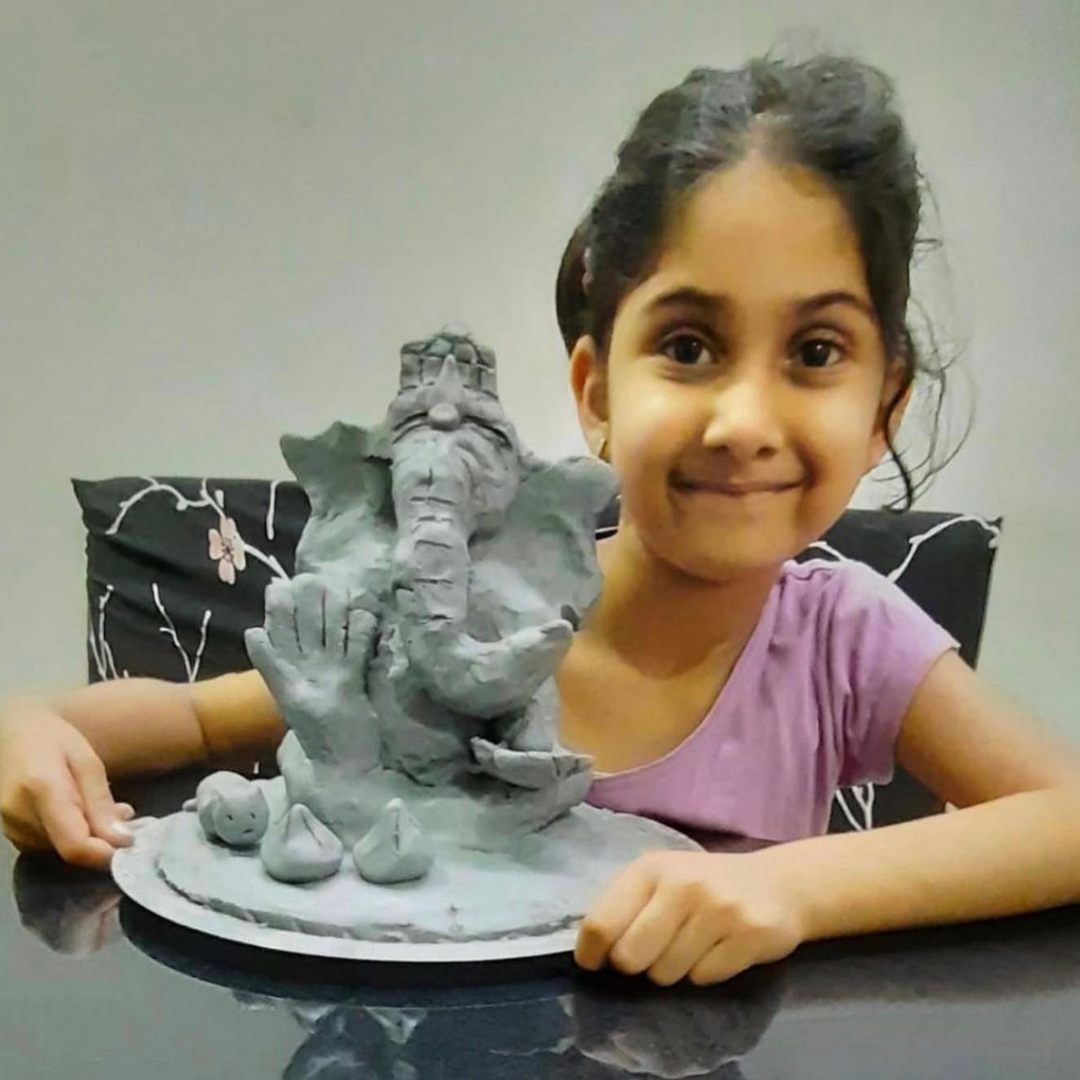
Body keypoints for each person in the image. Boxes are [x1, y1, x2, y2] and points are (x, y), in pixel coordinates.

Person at [3, 53, 1080, 988]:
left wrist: (791, 889)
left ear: (885, 405)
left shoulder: (847, 639)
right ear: (596, 392)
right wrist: (28, 728)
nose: (744, 422)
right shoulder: (467, 618)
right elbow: (195, 722)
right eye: (690, 347)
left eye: (815, 352)